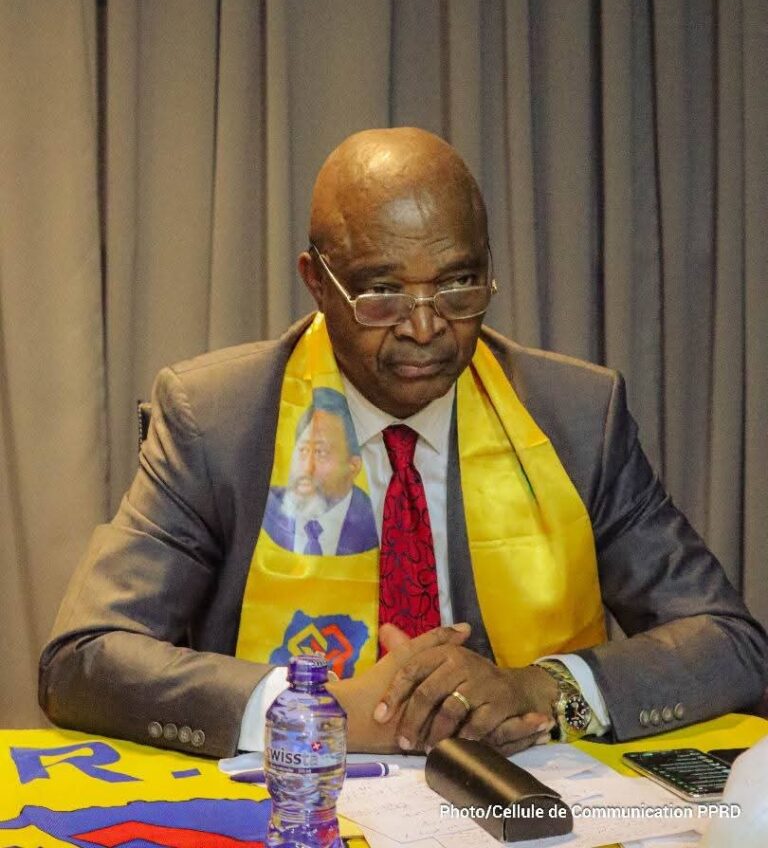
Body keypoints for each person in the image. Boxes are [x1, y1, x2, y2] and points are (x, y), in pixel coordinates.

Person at [39, 127, 767, 760]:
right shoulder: (218, 421)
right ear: (316, 283)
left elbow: (728, 641)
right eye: (382, 291)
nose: (425, 327)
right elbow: (84, 658)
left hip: (523, 797)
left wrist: (541, 689)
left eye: (458, 285)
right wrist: (317, 710)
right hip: (296, 805)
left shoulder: (576, 415)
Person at [262, 387, 378, 557]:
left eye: (320, 453)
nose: (307, 468)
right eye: (302, 450)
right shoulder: (263, 510)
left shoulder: (378, 524)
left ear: (353, 466)